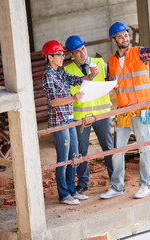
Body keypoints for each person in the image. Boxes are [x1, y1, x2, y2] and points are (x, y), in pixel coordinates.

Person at [100, 22, 150, 199]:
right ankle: (117, 187)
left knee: (144, 147)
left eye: (126, 35)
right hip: (123, 111)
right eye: (121, 36)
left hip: (142, 109)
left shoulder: (138, 53)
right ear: (114, 40)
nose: (125, 39)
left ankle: (145, 185)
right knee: (117, 150)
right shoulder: (111, 61)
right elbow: (110, 85)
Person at [41, 40, 100, 205]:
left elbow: (77, 80)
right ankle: (64, 194)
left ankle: (72, 190)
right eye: (59, 54)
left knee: (74, 155)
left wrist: (91, 76)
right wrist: (73, 98)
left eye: (62, 54)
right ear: (50, 57)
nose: (62, 57)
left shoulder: (61, 72)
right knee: (63, 159)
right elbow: (53, 102)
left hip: (68, 118)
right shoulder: (48, 76)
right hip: (59, 122)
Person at [64, 36, 113, 194]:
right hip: (81, 117)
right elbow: (71, 92)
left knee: (108, 148)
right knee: (81, 151)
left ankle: (115, 180)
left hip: (102, 114)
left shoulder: (100, 63)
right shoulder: (67, 71)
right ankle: (83, 183)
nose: (82, 53)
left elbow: (110, 82)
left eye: (83, 49)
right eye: (77, 52)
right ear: (71, 54)